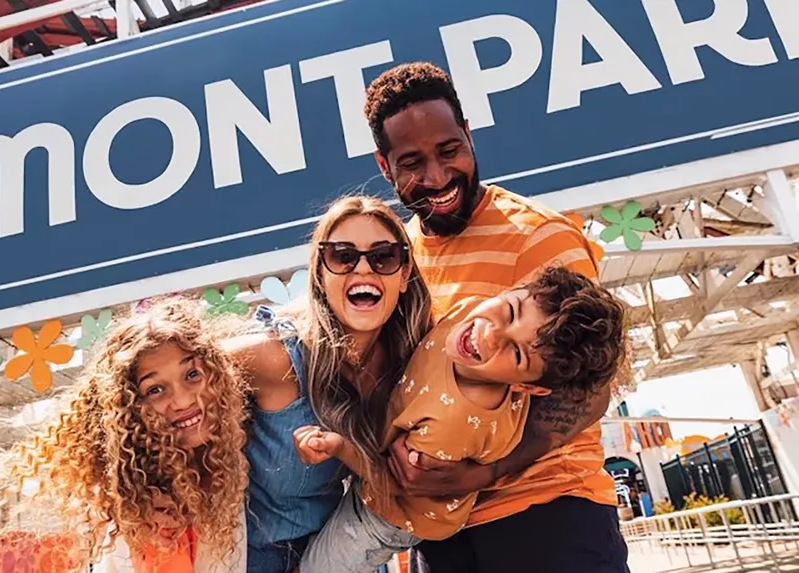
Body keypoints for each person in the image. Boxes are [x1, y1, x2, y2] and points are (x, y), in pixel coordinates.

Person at [364, 61, 632, 571]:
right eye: (412, 162)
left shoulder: (540, 237)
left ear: (468, 134)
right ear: (384, 165)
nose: (438, 177)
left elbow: (592, 387)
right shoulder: (400, 258)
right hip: (444, 533)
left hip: (551, 518)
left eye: (449, 151)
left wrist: (484, 474)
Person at [294, 266, 629, 572]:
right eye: (510, 310)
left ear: (527, 386)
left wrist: (341, 447)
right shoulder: (467, 313)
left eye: (515, 353)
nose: (490, 334)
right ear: (513, 288)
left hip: (389, 513)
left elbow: (398, 482)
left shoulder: (454, 423)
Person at [225, 195, 433, 573]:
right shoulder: (276, 358)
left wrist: (344, 449)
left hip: (344, 558)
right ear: (321, 275)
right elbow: (172, 376)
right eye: (342, 256)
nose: (364, 269)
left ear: (404, 276)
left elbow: (407, 492)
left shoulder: (413, 369)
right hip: (251, 560)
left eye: (383, 256)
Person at [0, 298, 250, 573]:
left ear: (217, 376)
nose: (182, 400)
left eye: (192, 375)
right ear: (130, 408)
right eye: (155, 390)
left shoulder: (226, 457)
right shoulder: (148, 506)